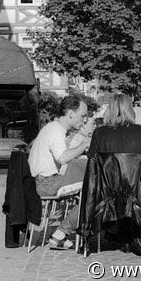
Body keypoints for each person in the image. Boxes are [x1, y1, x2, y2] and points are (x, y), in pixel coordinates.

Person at [84, 94, 141, 252]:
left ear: (109, 110)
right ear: (130, 109)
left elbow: (92, 161)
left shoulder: (99, 133)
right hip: (137, 196)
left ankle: (112, 231)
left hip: (106, 197)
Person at [27, 94, 91, 249]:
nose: (85, 120)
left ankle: (62, 232)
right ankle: (61, 233)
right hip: (46, 182)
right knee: (93, 191)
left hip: (40, 181)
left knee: (88, 187)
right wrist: (84, 144)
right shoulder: (56, 130)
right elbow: (62, 158)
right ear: (70, 113)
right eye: (82, 116)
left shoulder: (51, 128)